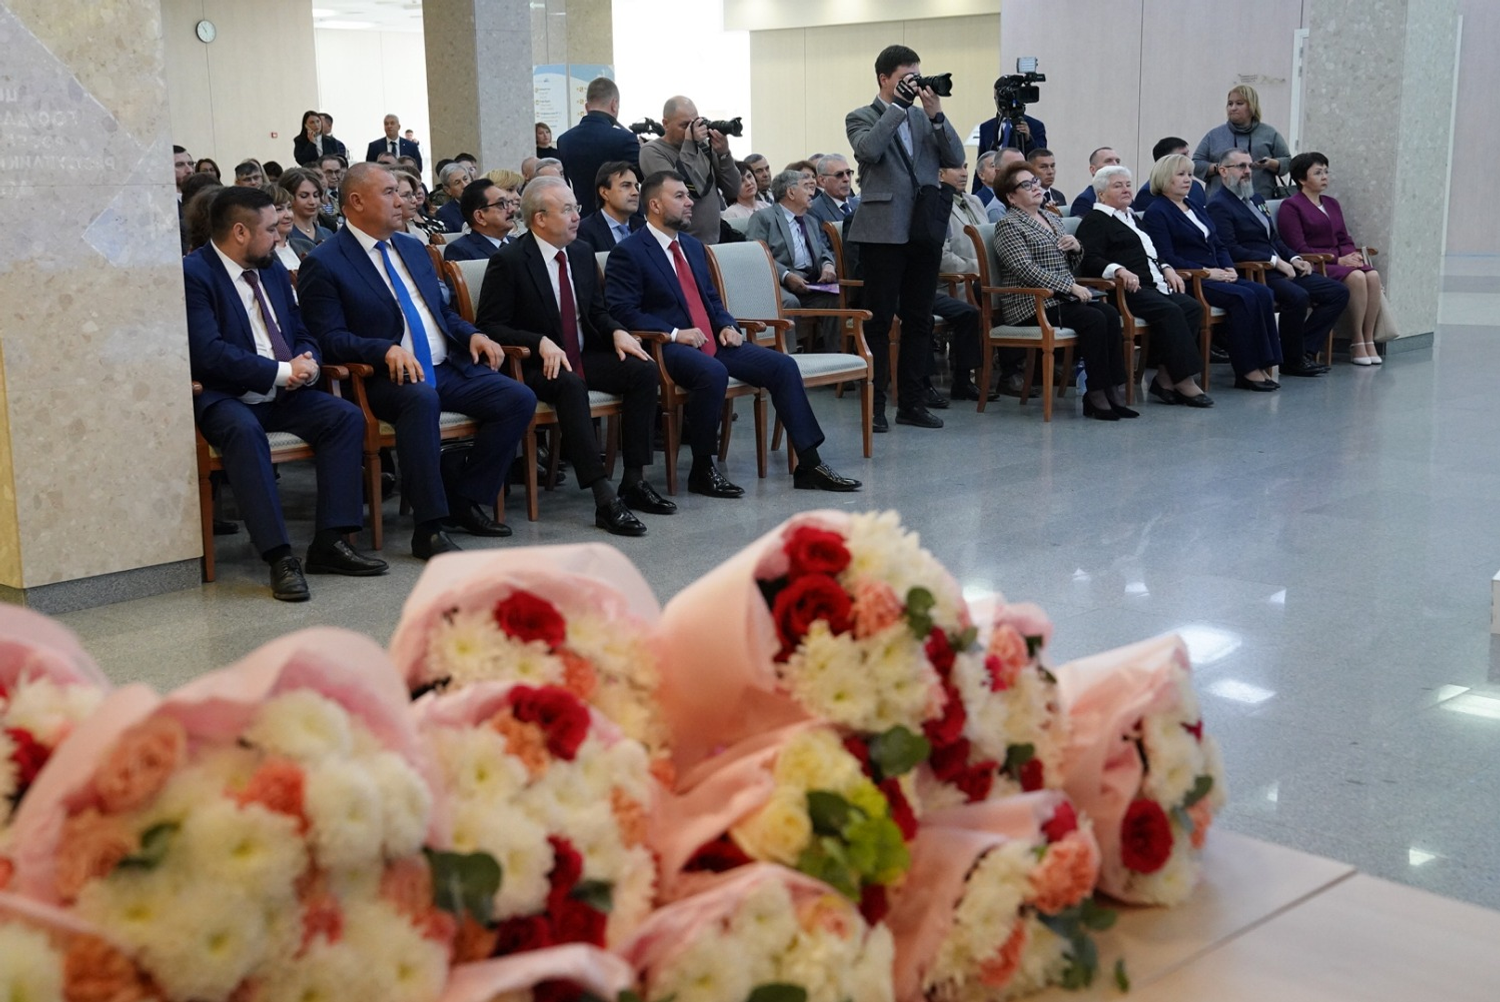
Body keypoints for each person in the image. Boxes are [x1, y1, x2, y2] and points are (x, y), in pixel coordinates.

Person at [298, 163, 537, 558]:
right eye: (389, 192)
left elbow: (440, 314)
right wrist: (383, 349)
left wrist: (473, 334)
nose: (402, 201)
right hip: (382, 377)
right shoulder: (325, 261)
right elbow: (327, 338)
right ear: (356, 201)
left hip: (444, 366)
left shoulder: (411, 247)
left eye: (400, 191)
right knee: (421, 399)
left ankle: (464, 498)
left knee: (517, 398)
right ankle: (429, 527)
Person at [184, 186, 386, 601]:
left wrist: (307, 360)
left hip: (284, 391)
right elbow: (208, 352)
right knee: (244, 433)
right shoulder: (194, 274)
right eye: (271, 229)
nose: (280, 237)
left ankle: (331, 541)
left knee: (344, 417)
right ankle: (279, 556)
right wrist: (280, 371)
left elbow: (300, 328)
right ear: (240, 232)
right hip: (228, 396)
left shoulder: (272, 269)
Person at [605, 170, 862, 496]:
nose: (690, 202)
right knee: (712, 372)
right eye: (680, 196)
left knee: (782, 366)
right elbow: (623, 311)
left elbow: (712, 299)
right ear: (655, 205)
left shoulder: (692, 247)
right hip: (667, 346)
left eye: (688, 195)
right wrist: (675, 333)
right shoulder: (629, 252)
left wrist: (727, 325)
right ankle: (702, 469)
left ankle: (809, 464)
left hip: (711, 339)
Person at [475, 176, 668, 537]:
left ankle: (634, 479)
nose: (577, 216)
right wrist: (539, 341)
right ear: (540, 218)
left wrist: (617, 331)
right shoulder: (510, 260)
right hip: (535, 364)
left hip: (581, 352)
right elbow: (489, 326)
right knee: (569, 385)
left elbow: (596, 312)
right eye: (566, 210)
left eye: (576, 207)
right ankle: (603, 496)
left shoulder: (580, 252)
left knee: (643, 370)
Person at [846, 44, 966, 431]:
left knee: (919, 319)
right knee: (879, 320)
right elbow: (869, 150)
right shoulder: (861, 116)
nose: (913, 85)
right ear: (884, 79)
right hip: (883, 230)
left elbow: (955, 157)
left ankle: (912, 402)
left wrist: (937, 116)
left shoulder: (923, 117)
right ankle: (875, 405)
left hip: (923, 227)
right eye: (904, 79)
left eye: (916, 76)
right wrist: (897, 106)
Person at [992, 162, 1134, 420]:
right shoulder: (1008, 225)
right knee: (1094, 319)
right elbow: (1025, 269)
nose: (1035, 187)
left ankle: (1113, 390)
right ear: (1011, 197)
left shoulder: (1052, 218)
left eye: (1035, 181)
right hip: (1030, 303)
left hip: (1061, 299)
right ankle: (1095, 394)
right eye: (1026, 185)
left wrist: (1076, 247)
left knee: (1110, 315)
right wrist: (1069, 286)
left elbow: (1069, 263)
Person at [1076, 165, 1213, 407]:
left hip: (1153, 284)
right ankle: (1183, 379)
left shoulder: (1132, 217)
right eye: (1118, 186)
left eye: (1128, 185)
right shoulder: (1095, 220)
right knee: (1170, 311)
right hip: (1124, 290)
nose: (1126, 190)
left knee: (1192, 307)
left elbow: (1151, 253)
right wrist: (1118, 269)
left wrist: (1167, 267)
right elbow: (1089, 259)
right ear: (1101, 194)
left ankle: (1165, 377)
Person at [1141, 154, 1281, 391]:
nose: (1188, 180)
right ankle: (1246, 370)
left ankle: (1264, 362)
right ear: (1164, 178)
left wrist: (1228, 267)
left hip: (1217, 272)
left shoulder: (1194, 206)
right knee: (1243, 297)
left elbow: (1218, 243)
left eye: (1189, 174)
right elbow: (1166, 256)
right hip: (1192, 278)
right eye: (1181, 174)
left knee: (1263, 293)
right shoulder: (1157, 211)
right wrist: (1206, 272)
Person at [1207, 149, 1348, 376]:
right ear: (1223, 171)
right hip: (1254, 271)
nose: (1247, 171)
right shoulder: (1219, 205)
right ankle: (1293, 360)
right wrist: (1274, 261)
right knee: (1297, 297)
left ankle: (1302, 350)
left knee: (1337, 292)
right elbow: (1230, 248)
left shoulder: (1256, 198)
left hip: (1279, 267)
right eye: (1241, 166)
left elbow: (1272, 238)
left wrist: (1294, 258)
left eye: (1250, 166)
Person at [1277, 152, 1389, 364]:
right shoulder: (1291, 206)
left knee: (1372, 276)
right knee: (1357, 277)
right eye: (1318, 173)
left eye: (1326, 172)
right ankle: (1356, 340)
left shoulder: (1331, 203)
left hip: (1338, 261)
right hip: (1315, 263)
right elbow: (1298, 247)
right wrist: (1338, 260)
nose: (1324, 177)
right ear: (1302, 179)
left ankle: (1368, 339)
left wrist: (1351, 255)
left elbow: (1344, 238)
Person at [745, 169, 841, 352]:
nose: (812, 192)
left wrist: (828, 265)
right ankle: (790, 356)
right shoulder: (763, 218)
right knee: (790, 302)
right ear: (790, 192)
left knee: (835, 298)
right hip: (777, 283)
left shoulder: (810, 221)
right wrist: (787, 275)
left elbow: (824, 250)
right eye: (806, 187)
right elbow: (756, 255)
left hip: (809, 282)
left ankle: (835, 356)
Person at [639, 96, 742, 246]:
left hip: (715, 242)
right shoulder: (651, 151)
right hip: (681, 245)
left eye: (694, 123)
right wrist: (690, 144)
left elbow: (733, 190)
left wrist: (724, 154)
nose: (691, 129)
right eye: (685, 125)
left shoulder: (703, 147)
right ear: (665, 124)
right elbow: (676, 188)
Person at [933, 162, 986, 401]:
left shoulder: (975, 201)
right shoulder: (936, 204)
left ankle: (1013, 370)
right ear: (939, 173)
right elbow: (942, 259)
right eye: (957, 168)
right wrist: (980, 267)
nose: (964, 173)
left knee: (1014, 295)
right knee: (977, 306)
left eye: (965, 166)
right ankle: (966, 378)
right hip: (951, 283)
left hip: (981, 279)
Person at [557, 78, 641, 217]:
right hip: (622, 218)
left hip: (582, 217)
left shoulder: (564, 140)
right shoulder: (625, 139)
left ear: (586, 107)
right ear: (614, 104)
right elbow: (642, 178)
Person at [1192, 85, 1290, 200]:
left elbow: (1288, 162)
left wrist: (1270, 163)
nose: (1233, 108)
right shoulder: (1214, 135)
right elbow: (1195, 164)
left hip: (1261, 200)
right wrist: (1221, 168)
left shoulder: (1269, 133)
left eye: (1239, 103)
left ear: (1252, 106)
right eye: (1230, 104)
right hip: (1221, 202)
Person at [443, 179, 520, 261]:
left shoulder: (518, 244)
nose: (512, 209)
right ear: (480, 217)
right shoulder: (460, 251)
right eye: (501, 204)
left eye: (508, 202)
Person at [576, 161, 645, 250]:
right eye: (626, 186)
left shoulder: (644, 227)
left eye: (636, 186)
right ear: (604, 193)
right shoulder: (585, 231)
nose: (635, 192)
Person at [975, 79, 1048, 158]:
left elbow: (1041, 158)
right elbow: (981, 161)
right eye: (996, 98)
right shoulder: (986, 127)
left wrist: (1028, 139)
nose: (998, 102)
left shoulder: (1035, 126)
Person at [1134, 137, 1206, 213]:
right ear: (1165, 162)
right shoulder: (1147, 194)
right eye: (1183, 156)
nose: (1188, 159)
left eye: (1188, 154)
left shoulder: (1196, 187)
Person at [279, 167, 334, 258]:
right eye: (304, 196)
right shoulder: (284, 236)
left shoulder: (327, 234)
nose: (312, 201)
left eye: (316, 195)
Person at [1069, 147, 1123, 217]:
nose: (1115, 165)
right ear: (1093, 170)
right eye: (1108, 161)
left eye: (1117, 161)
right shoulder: (1084, 202)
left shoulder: (1124, 196)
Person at [808, 154, 860, 225]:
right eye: (839, 175)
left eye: (848, 173)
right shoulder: (814, 210)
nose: (846, 179)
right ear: (822, 180)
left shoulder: (859, 205)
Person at [985, 149, 1025, 222]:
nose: (1022, 173)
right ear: (998, 173)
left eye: (1024, 167)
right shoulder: (997, 210)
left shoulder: (1029, 200)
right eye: (1015, 168)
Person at [433, 163, 472, 233]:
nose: (464, 185)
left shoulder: (485, 202)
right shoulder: (445, 213)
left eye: (465, 179)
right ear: (448, 190)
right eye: (457, 182)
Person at [269, 186, 302, 270]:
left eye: (289, 207)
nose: (288, 215)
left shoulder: (306, 245)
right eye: (279, 209)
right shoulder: (260, 255)